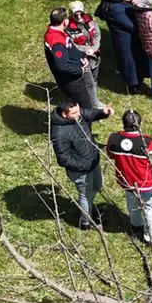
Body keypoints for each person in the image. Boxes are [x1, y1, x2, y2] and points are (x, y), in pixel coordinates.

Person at [106, 109, 152, 243]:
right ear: (139, 124)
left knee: (132, 205)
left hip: (127, 181)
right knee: (151, 210)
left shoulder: (114, 139)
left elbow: (110, 154)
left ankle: (135, 225)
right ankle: (150, 237)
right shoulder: (147, 143)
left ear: (123, 123)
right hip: (147, 184)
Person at [50, 99, 113, 230]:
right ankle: (85, 222)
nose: (79, 114)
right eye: (74, 113)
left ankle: (89, 208)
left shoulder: (76, 115)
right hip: (82, 170)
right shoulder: (59, 133)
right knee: (85, 195)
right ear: (64, 114)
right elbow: (63, 159)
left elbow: (88, 113)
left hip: (92, 161)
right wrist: (84, 165)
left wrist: (103, 113)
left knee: (96, 186)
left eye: (78, 110)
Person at [98, 0, 147, 95]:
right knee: (129, 63)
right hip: (126, 41)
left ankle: (137, 80)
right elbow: (131, 25)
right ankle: (133, 86)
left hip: (127, 39)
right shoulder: (115, 9)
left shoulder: (116, 3)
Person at [44, 8, 97, 111]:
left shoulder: (58, 32)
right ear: (65, 21)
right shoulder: (56, 41)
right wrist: (79, 70)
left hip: (75, 75)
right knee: (84, 108)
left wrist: (82, 56)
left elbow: (70, 48)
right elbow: (61, 66)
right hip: (72, 81)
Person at [66, 1, 102, 84]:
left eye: (81, 14)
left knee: (94, 77)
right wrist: (86, 49)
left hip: (94, 54)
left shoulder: (89, 19)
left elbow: (97, 34)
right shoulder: (68, 28)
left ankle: (93, 93)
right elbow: (71, 44)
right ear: (71, 15)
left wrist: (94, 49)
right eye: (76, 15)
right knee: (84, 80)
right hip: (80, 57)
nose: (79, 17)